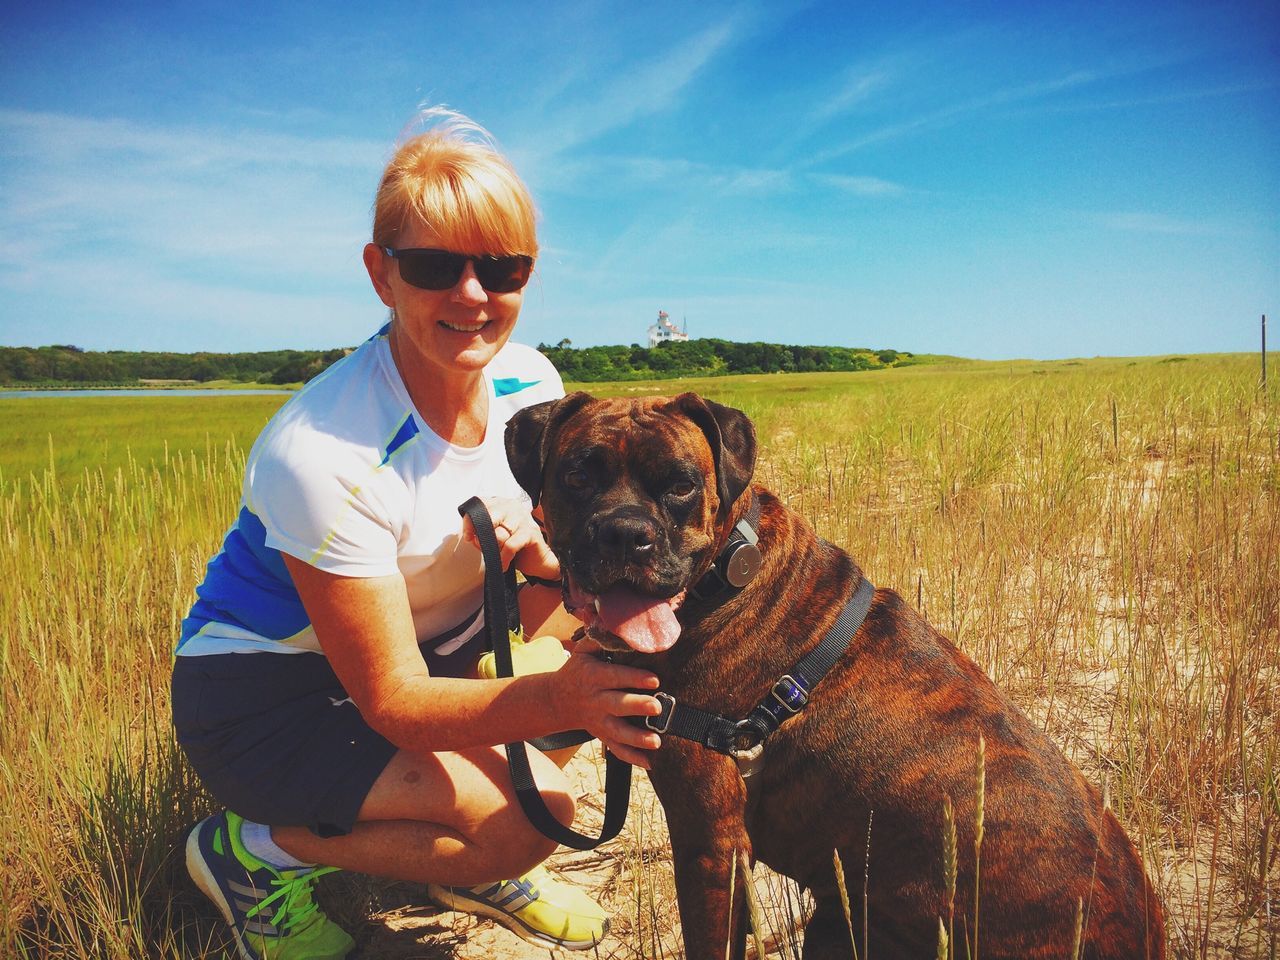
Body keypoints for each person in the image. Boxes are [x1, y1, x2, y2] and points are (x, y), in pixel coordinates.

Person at [171, 108, 664, 959]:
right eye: (436, 265)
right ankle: (256, 856)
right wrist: (557, 698)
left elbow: (546, 565)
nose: (473, 296)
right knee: (540, 810)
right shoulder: (323, 451)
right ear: (381, 273)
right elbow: (392, 702)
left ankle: (476, 838)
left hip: (435, 640)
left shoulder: (528, 381)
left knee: (614, 648)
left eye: (502, 269)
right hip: (268, 698)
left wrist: (552, 563)